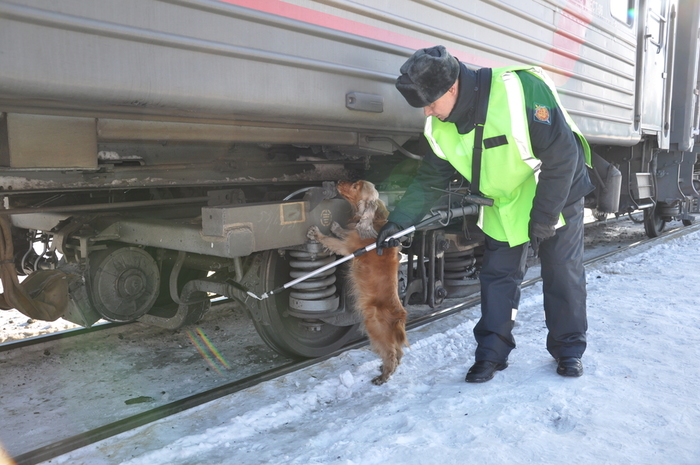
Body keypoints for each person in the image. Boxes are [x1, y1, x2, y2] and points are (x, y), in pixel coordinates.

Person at [376, 45, 594, 382]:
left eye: (431, 104)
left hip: (556, 190)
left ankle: (568, 350)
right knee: (498, 278)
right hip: (506, 201)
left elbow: (563, 157)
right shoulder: (441, 127)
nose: (428, 114)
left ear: (452, 88)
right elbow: (429, 180)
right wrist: (398, 221)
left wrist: (544, 218)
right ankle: (492, 353)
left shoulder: (520, 91)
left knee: (561, 271)